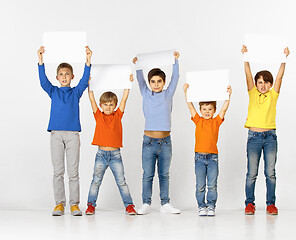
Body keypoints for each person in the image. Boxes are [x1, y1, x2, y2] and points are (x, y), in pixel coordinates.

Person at [37, 45, 92, 216]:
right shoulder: (53, 91)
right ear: (57, 77)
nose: (64, 76)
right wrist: (40, 60)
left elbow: (84, 81)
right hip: (56, 135)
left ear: (72, 76)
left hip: (73, 135)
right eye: (61, 74)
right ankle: (59, 204)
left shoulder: (76, 92)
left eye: (67, 74)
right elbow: (43, 81)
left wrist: (88, 60)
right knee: (58, 171)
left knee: (73, 172)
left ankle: (74, 204)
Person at [241, 45, 290, 215]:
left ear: (270, 84)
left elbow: (280, 77)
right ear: (256, 84)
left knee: (270, 173)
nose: (262, 85)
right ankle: (249, 203)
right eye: (260, 82)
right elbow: (247, 74)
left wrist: (284, 59)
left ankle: (271, 204)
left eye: (266, 82)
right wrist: (246, 56)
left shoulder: (273, 95)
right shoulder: (253, 93)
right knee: (252, 173)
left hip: (270, 137)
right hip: (254, 137)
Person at [132, 52, 180, 214]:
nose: (156, 84)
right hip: (149, 141)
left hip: (165, 142)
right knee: (148, 174)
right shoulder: (146, 93)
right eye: (153, 81)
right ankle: (146, 203)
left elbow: (176, 77)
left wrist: (175, 60)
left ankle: (165, 203)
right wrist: (137, 65)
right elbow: (139, 79)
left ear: (164, 82)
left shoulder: (168, 93)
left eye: (159, 81)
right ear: (149, 83)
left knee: (164, 174)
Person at [85, 75, 136, 215]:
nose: (108, 107)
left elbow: (124, 99)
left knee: (121, 182)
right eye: (106, 104)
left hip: (115, 155)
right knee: (96, 181)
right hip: (101, 154)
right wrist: (90, 85)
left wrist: (127, 84)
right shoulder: (98, 115)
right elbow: (91, 98)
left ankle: (129, 206)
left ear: (115, 105)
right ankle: (90, 205)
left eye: (111, 104)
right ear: (101, 106)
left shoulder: (118, 115)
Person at [183, 83, 232, 216]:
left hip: (212, 158)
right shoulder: (198, 120)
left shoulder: (216, 121)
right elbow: (190, 106)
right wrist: (186, 92)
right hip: (199, 158)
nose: (206, 111)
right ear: (200, 110)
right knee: (200, 186)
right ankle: (201, 206)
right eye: (204, 109)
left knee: (212, 185)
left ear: (214, 110)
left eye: (209, 109)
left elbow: (224, 110)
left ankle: (211, 206)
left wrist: (228, 96)